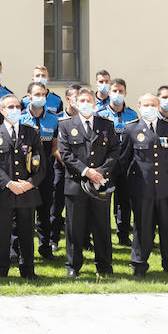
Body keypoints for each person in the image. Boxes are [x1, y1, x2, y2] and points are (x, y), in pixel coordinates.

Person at [116, 94, 168, 275]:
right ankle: (139, 264)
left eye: (153, 104)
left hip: (166, 188)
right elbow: (124, 160)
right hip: (142, 188)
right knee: (142, 228)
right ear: (138, 106)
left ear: (158, 106)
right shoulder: (130, 129)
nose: (149, 107)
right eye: (146, 104)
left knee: (167, 228)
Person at [57, 87, 120, 278]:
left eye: (88, 101)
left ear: (94, 104)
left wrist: (101, 172)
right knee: (74, 228)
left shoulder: (106, 124)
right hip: (76, 184)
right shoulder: (66, 125)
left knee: (102, 227)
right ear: (75, 103)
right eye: (81, 101)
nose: (85, 104)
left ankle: (104, 266)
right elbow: (65, 153)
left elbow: (114, 150)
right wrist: (86, 171)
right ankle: (73, 266)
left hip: (100, 183)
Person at [0, 95, 42, 279]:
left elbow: (40, 163)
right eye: (10, 106)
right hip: (4, 192)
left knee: (26, 232)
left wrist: (30, 183)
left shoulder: (31, 133)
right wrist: (8, 183)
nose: (14, 109)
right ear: (2, 110)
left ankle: (28, 270)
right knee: (2, 233)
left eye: (17, 106)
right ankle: (0, 270)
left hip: (26, 191)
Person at [20, 81, 61, 259]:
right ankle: (18, 249)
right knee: (21, 213)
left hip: (46, 172)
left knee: (45, 211)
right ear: (28, 96)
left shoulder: (53, 119)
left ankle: (45, 247)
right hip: (23, 174)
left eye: (43, 94)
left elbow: (54, 146)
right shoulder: (20, 118)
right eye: (36, 94)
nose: (40, 98)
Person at [97, 78, 139, 246]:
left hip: (127, 164)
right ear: (109, 92)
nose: (118, 94)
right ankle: (103, 235)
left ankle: (123, 234)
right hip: (107, 164)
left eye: (121, 91)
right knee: (104, 200)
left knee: (125, 201)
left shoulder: (133, 115)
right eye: (115, 91)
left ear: (125, 93)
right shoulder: (100, 114)